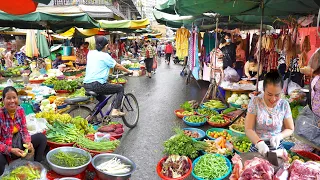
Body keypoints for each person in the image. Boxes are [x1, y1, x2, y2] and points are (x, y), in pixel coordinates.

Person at [0, 86, 47, 176]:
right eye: (8, 98)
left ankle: (36, 165)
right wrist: (10, 150)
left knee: (41, 138)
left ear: (18, 98)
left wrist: (28, 142)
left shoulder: (20, 110)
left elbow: (24, 130)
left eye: (14, 97)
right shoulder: (1, 115)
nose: (12, 101)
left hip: (19, 143)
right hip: (6, 149)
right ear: (3, 100)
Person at [245, 71, 294, 156]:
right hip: (258, 147)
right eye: (269, 94)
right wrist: (259, 143)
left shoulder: (284, 104)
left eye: (277, 95)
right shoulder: (255, 102)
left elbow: (290, 128)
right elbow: (248, 129)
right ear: (263, 90)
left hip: (277, 149)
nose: (273, 99)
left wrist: (279, 136)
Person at [84, 36, 132, 117]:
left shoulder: (90, 53)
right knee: (120, 88)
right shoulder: (105, 56)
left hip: (86, 85)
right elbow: (117, 66)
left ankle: (90, 117)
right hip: (97, 85)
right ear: (106, 46)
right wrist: (129, 71)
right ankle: (115, 110)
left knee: (103, 100)